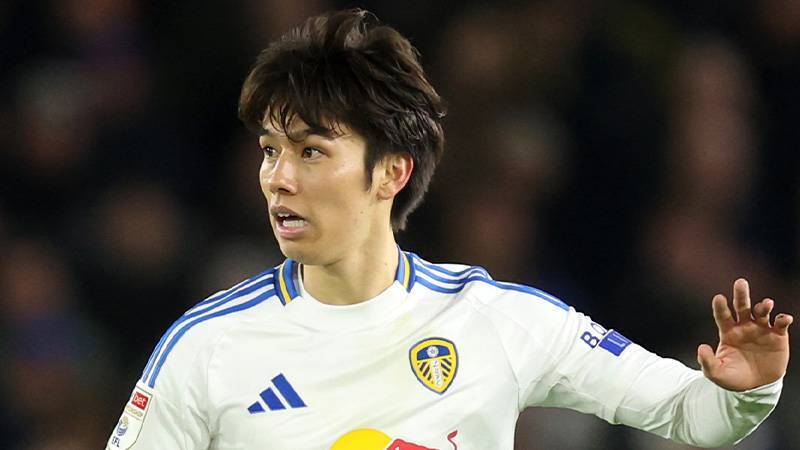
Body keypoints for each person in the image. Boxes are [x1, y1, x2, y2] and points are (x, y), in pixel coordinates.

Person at [106, 9, 792, 450]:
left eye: (311, 151)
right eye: (269, 151)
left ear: (390, 172)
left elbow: (690, 413)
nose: (278, 178)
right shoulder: (207, 345)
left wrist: (748, 388)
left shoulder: (496, 320)